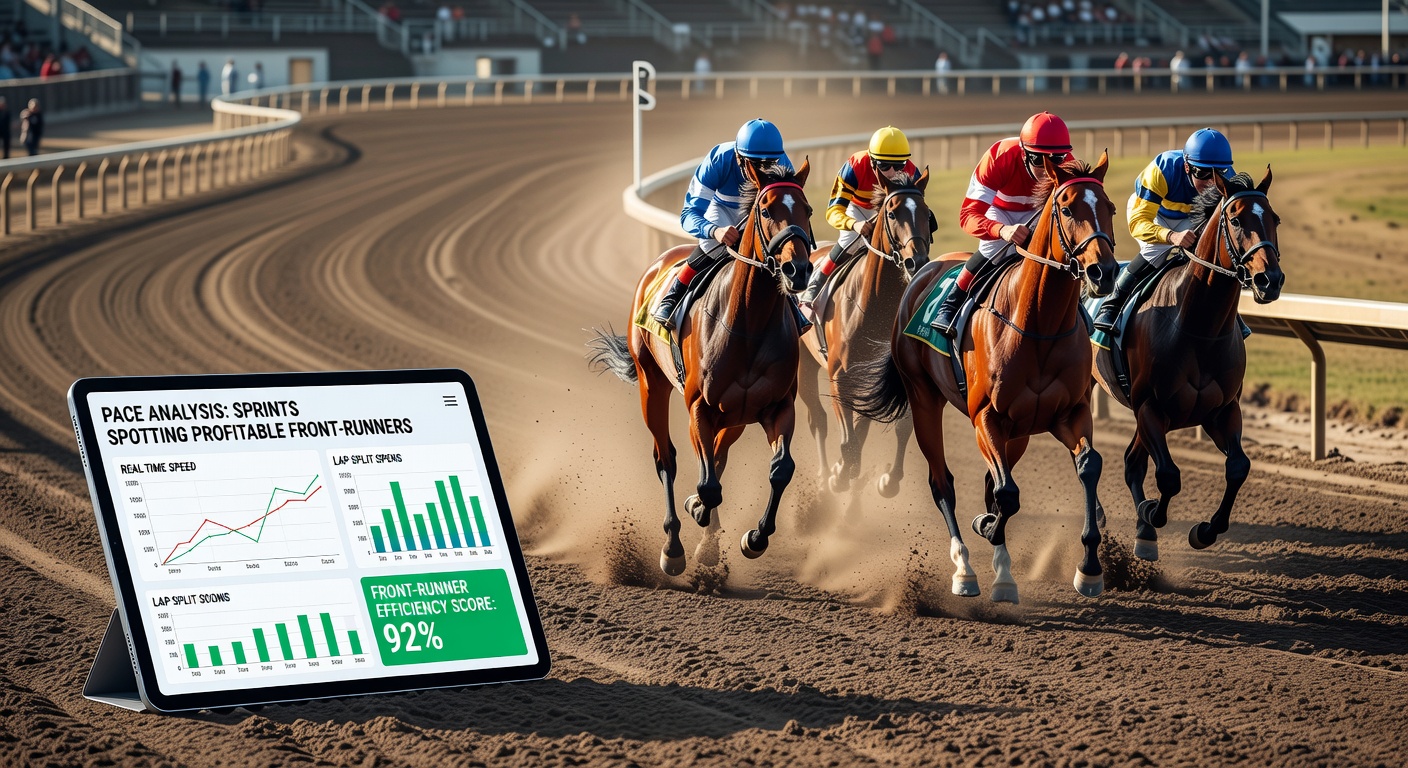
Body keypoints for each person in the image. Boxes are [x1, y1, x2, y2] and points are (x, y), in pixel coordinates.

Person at [931, 111, 1074, 336]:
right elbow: (968, 215)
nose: (1048, 169)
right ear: (1024, 153)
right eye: (1039, 159)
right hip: (1000, 211)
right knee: (993, 247)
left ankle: (1079, 309)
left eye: (1056, 159)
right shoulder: (999, 157)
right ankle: (950, 305)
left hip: (1040, 214)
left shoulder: (1068, 167)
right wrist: (1002, 230)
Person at [652, 119, 795, 330]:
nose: (764, 171)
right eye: (756, 164)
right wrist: (715, 231)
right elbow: (690, 214)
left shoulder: (783, 164)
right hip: (723, 210)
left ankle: (793, 307)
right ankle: (673, 296)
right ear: (738, 158)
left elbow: (790, 210)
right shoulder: (718, 159)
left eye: (769, 164)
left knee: (776, 251)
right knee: (712, 246)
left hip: (760, 214)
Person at [1093, 128, 1237, 331]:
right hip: (1153, 213)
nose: (1211, 182)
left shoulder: (1228, 179)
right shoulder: (1163, 168)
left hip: (1189, 217)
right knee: (1156, 250)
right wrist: (1171, 236)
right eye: (1203, 173)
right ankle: (1112, 305)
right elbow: (1138, 223)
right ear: (1187, 167)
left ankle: (1233, 316)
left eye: (1218, 173)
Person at [799, 126, 919, 317]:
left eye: (898, 165)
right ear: (871, 161)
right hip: (857, 208)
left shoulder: (912, 172)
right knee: (850, 240)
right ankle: (813, 289)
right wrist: (854, 224)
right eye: (884, 165)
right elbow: (833, 210)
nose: (892, 172)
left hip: (890, 208)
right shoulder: (854, 166)